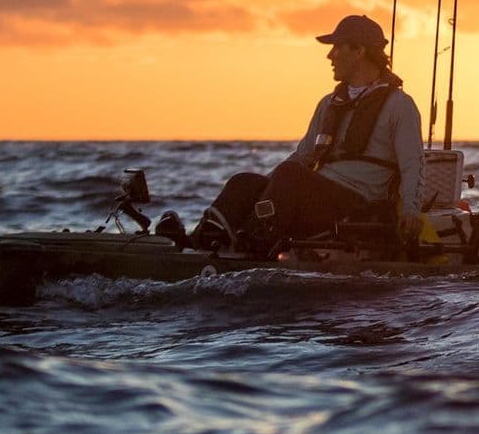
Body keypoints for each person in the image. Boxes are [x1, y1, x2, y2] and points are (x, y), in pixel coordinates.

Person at [177, 15, 424, 256]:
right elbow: (303, 156)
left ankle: (253, 242)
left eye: (337, 48)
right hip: (315, 195)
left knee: (291, 176)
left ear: (359, 51)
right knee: (244, 181)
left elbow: (413, 164)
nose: (330, 56)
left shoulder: (399, 105)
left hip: (358, 204)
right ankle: (203, 238)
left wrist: (411, 211)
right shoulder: (329, 104)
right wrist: (265, 188)